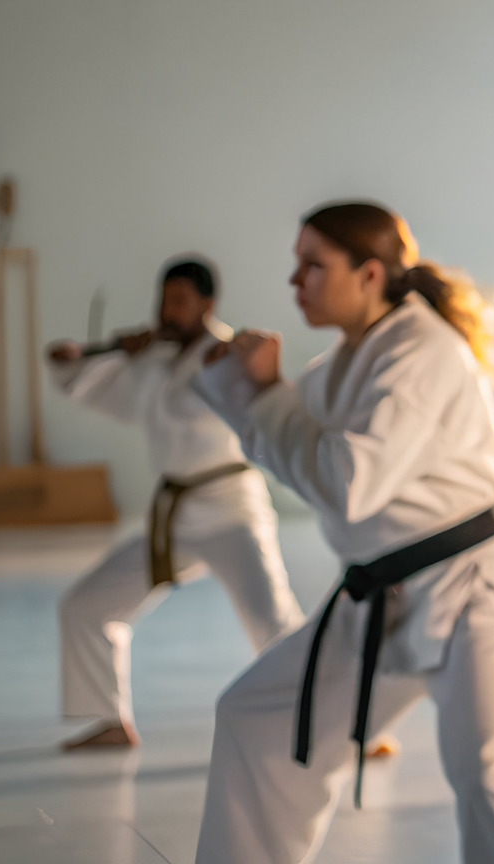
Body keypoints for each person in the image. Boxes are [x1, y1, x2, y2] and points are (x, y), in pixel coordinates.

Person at [192, 202, 494, 864]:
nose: (296, 281)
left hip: (473, 596)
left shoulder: (423, 351)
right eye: (297, 266)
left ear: (370, 273)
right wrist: (228, 378)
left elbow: (347, 484)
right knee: (258, 719)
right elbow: (289, 437)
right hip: (382, 599)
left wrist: (262, 397)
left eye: (313, 266)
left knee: (490, 777)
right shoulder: (342, 363)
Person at [48, 257, 303, 749]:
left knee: (274, 622)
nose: (169, 311)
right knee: (86, 605)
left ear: (208, 306)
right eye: (164, 300)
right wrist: (111, 352)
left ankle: (342, 722)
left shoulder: (227, 355)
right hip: (175, 520)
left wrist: (140, 353)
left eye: (181, 302)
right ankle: (108, 720)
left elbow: (258, 399)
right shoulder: (154, 363)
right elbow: (79, 379)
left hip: (232, 515)